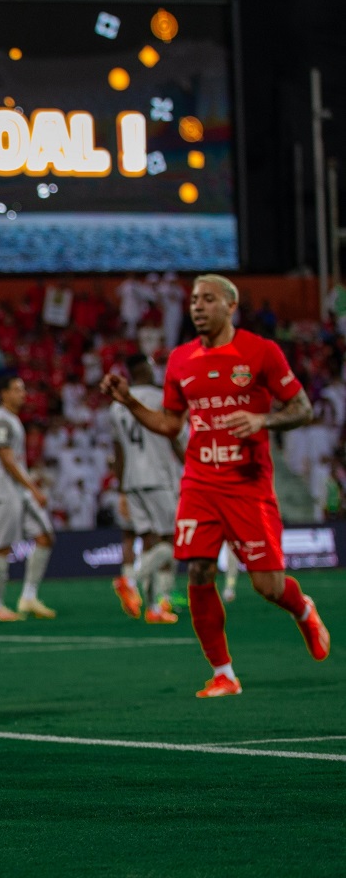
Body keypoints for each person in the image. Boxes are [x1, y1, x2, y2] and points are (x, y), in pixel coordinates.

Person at [100, 274, 331, 697]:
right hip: (200, 482)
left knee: (267, 586)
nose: (197, 306)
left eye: (208, 299)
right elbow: (170, 424)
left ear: (230, 306)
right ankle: (223, 673)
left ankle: (302, 608)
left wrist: (264, 420)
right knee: (199, 570)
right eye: (193, 300)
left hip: (248, 485)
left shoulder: (261, 351)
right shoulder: (181, 359)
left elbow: (302, 408)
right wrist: (129, 400)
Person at [109, 354, 182, 623]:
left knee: (148, 542)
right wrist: (193, 466)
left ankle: (153, 607)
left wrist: (121, 489)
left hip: (132, 480)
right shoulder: (159, 398)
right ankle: (132, 582)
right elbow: (173, 436)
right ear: (146, 369)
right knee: (173, 541)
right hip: (158, 477)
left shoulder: (116, 405)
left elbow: (118, 452)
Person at [0, 373, 58, 622]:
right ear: (3, 393)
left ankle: (28, 596)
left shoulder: (12, 419)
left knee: (45, 536)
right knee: (2, 547)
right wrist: (32, 488)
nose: (23, 394)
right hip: (4, 492)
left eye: (23, 389)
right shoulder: (0, 419)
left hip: (18, 491)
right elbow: (6, 459)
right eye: (17, 389)